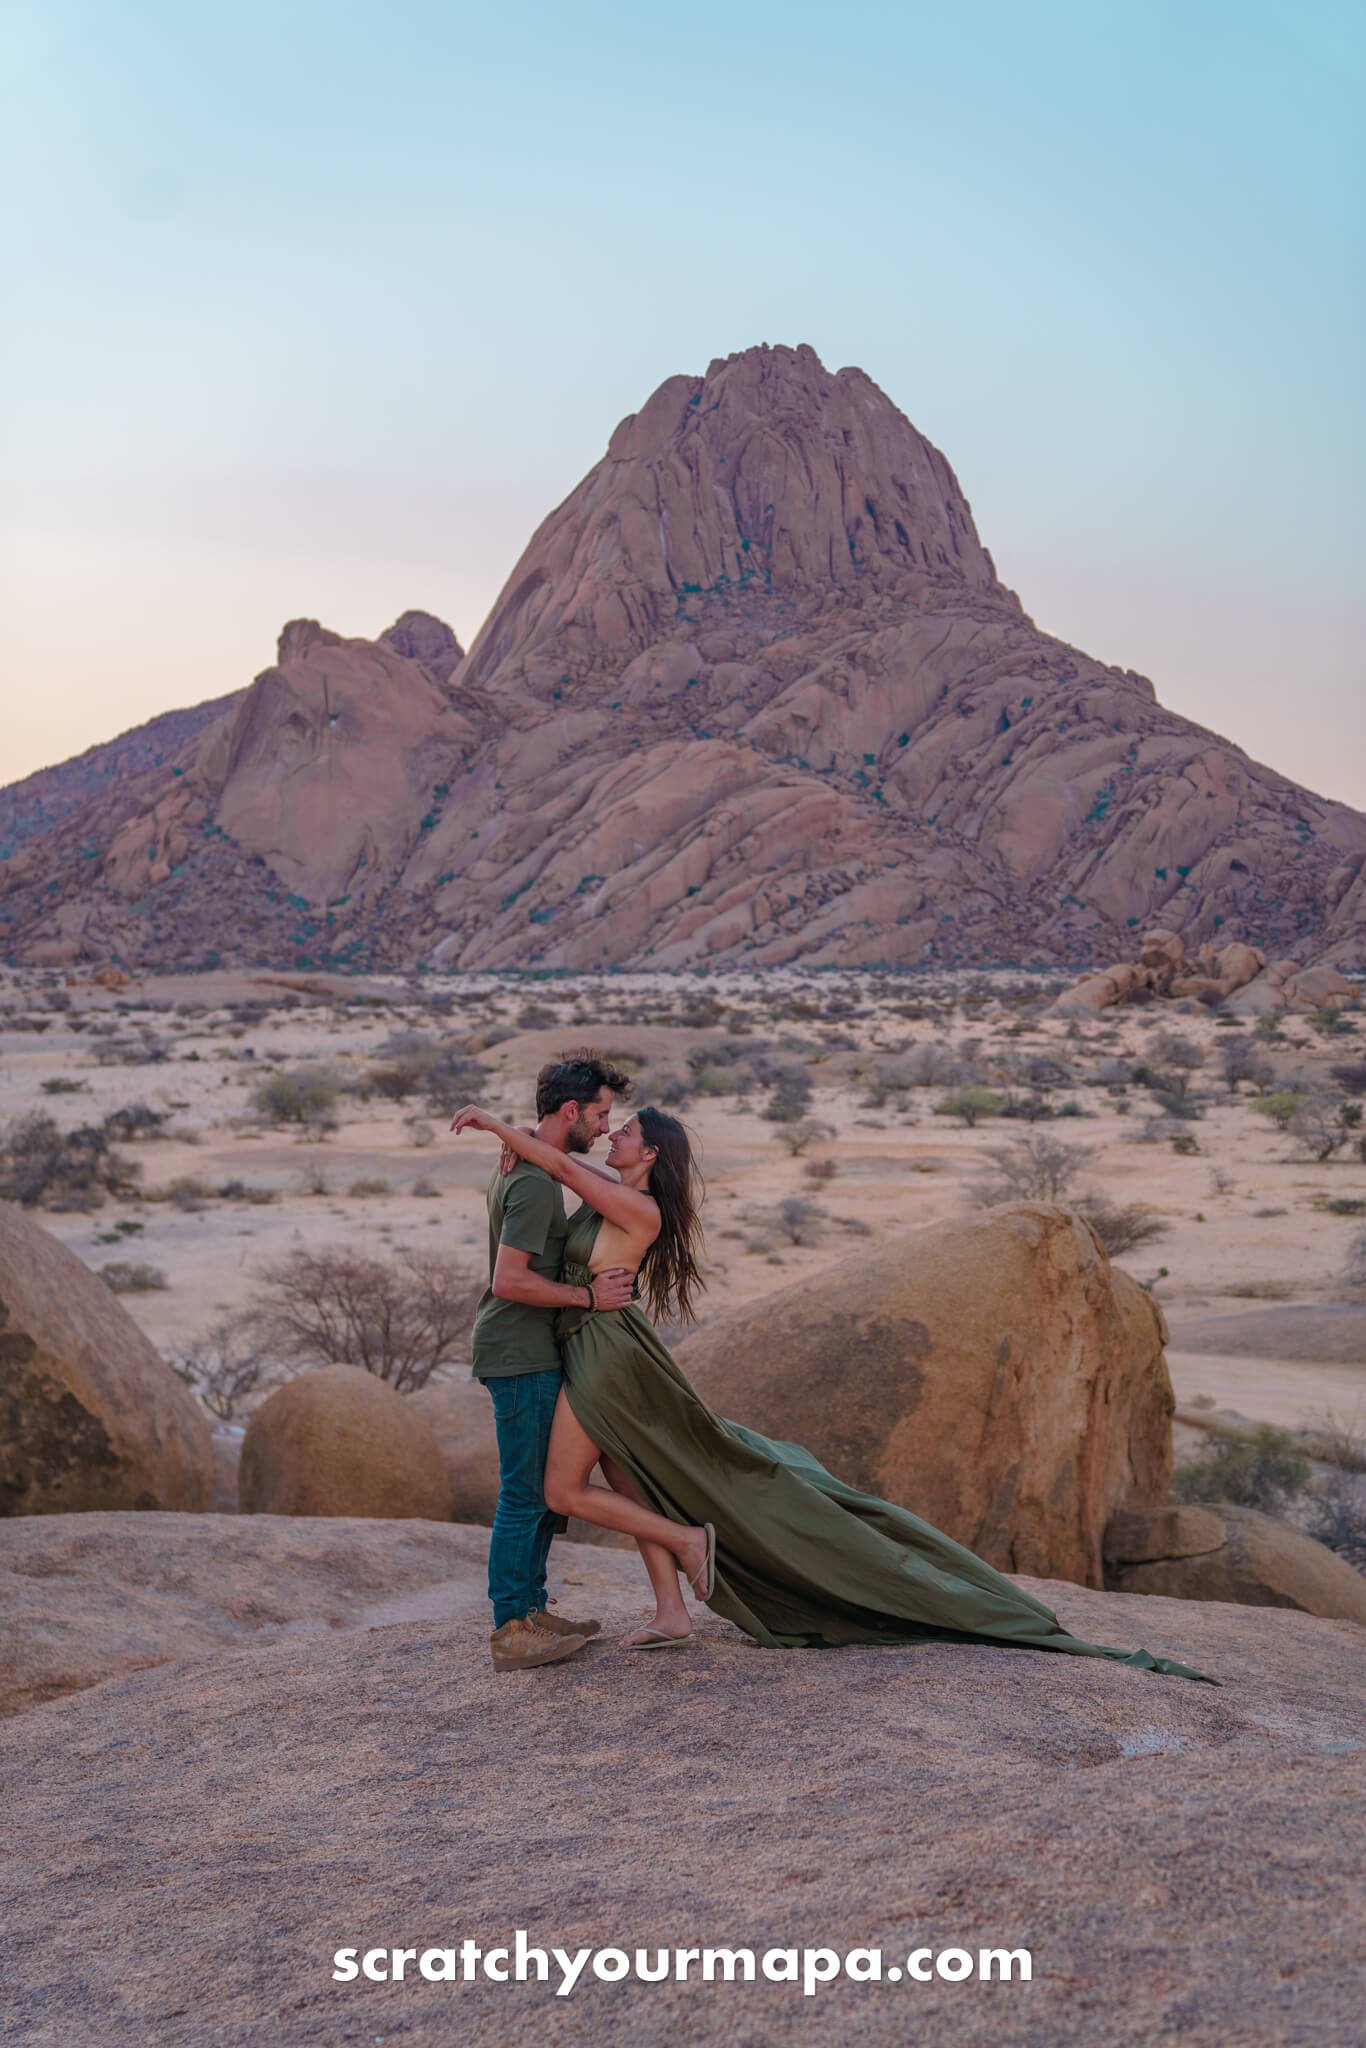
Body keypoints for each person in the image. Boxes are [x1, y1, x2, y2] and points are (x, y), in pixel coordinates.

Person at [451, 1097, 1220, 1683]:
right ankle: (672, 1611)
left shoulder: (637, 1204)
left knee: (561, 1490)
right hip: (602, 1346)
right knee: (629, 1476)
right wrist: (515, 1153)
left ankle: (691, 1543)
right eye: (607, 1126)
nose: (613, 1134)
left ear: (649, 1153)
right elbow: (552, 1173)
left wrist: (495, 1126)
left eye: (625, 1133)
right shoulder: (612, 1192)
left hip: (606, 1354)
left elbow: (555, 1167)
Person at [469, 1050, 636, 1672]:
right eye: (599, 1113)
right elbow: (510, 1280)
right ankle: (513, 1626)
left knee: (540, 1488)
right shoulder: (536, 1183)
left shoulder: (528, 1167)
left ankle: (532, 1609)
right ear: (572, 1111)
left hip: (526, 1348)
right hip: (518, 1351)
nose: (603, 1126)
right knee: (523, 1493)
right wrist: (588, 1297)